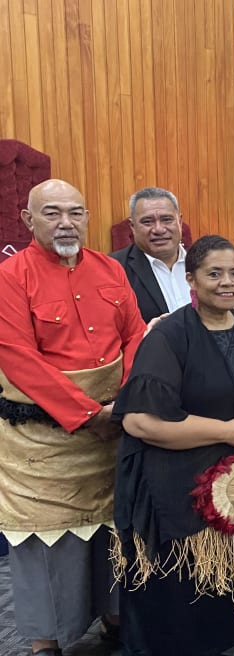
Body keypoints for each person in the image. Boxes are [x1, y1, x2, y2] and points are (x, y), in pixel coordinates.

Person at [111, 235, 234, 656]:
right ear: (191, 279)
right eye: (214, 274)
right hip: (179, 479)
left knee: (221, 595)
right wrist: (225, 432)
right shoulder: (169, 336)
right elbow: (141, 422)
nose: (227, 282)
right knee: (180, 588)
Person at [0, 179, 144, 656]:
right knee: (45, 544)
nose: (66, 223)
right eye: (53, 213)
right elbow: (16, 356)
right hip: (44, 445)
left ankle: (116, 618)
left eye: (76, 212)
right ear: (29, 220)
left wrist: (120, 404)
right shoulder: (11, 277)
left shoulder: (109, 269)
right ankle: (46, 642)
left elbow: (135, 336)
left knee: (114, 530)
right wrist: (85, 413)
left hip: (113, 429)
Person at [111, 186, 192, 322]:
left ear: (180, 221)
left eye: (167, 219)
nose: (159, 229)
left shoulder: (203, 262)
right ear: (132, 227)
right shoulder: (114, 269)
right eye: (147, 221)